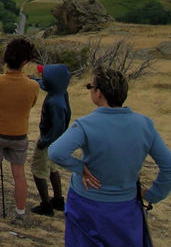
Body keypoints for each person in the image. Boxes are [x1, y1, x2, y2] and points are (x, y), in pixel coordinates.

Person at [49, 66, 171, 247]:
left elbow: (55, 152)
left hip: (86, 205)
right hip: (125, 208)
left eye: (90, 87)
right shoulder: (145, 124)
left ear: (98, 93)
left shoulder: (85, 124)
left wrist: (80, 168)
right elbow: (168, 165)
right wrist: (154, 195)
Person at [0, 38, 39, 227]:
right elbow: (31, 104)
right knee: (19, 174)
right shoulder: (33, 86)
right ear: (25, 62)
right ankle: (19, 214)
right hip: (19, 134)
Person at [30, 63, 71, 217]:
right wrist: (34, 80)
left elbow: (57, 127)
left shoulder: (55, 102)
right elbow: (45, 86)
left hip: (49, 139)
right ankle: (58, 200)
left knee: (38, 169)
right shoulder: (60, 92)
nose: (42, 78)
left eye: (44, 76)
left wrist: (44, 142)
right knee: (52, 167)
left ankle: (46, 205)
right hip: (55, 140)